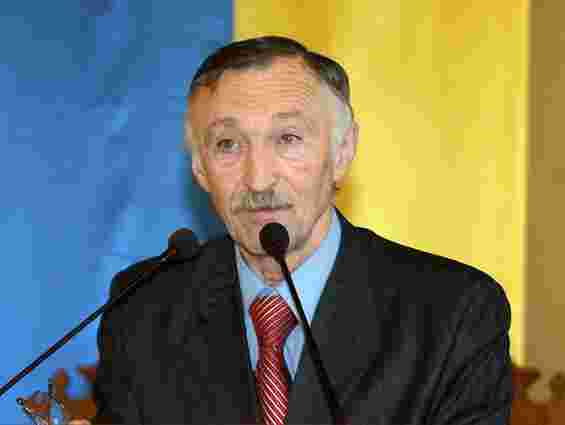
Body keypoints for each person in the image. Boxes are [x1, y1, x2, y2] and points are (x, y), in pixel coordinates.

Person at [93, 36, 512, 425]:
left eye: (288, 138)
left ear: (342, 151)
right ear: (200, 168)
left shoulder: (453, 314)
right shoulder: (144, 311)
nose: (258, 180)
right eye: (227, 144)